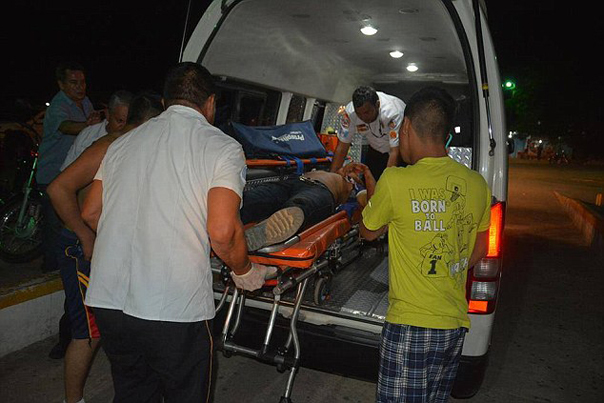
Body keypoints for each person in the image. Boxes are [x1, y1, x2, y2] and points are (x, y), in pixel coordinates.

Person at [80, 63, 274, 402]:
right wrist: (244, 271)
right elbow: (222, 231)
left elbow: (90, 211)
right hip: (172, 308)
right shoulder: (222, 147)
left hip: (108, 302)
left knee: (133, 392)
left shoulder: (122, 144)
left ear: (165, 101)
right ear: (210, 103)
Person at [356, 87, 491, 402]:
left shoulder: (395, 181)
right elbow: (480, 249)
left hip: (409, 326)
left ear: (405, 127)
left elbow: (368, 232)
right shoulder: (477, 185)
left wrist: (369, 198)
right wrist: (448, 266)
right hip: (453, 326)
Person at [47, 92, 163, 403]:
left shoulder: (131, 147)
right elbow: (58, 189)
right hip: (80, 246)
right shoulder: (110, 145)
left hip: (104, 246)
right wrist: (85, 236)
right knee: (88, 331)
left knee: (115, 325)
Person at [38, 62, 101, 360]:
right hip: (55, 177)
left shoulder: (85, 104)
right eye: (74, 82)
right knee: (61, 238)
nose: (80, 87)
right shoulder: (59, 106)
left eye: (83, 82)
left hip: (74, 182)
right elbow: (66, 127)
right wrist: (90, 125)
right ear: (62, 84)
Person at [241, 169, 364, 251]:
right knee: (250, 199)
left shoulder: (355, 187)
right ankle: (232, 218)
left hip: (320, 190)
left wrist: (365, 176)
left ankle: (261, 233)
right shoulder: (332, 170)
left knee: (298, 208)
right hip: (294, 181)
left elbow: (366, 201)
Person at [330, 86, 406, 180]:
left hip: (400, 153)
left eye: (367, 112)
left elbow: (395, 151)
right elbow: (342, 147)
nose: (363, 117)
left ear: (377, 105)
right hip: (375, 150)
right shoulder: (350, 113)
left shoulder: (393, 113)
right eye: (359, 114)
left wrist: (386, 182)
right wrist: (331, 178)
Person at [60, 90, 133, 170]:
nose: (125, 127)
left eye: (129, 122)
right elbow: (67, 169)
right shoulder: (88, 135)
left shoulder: (135, 140)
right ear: (108, 114)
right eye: (120, 121)